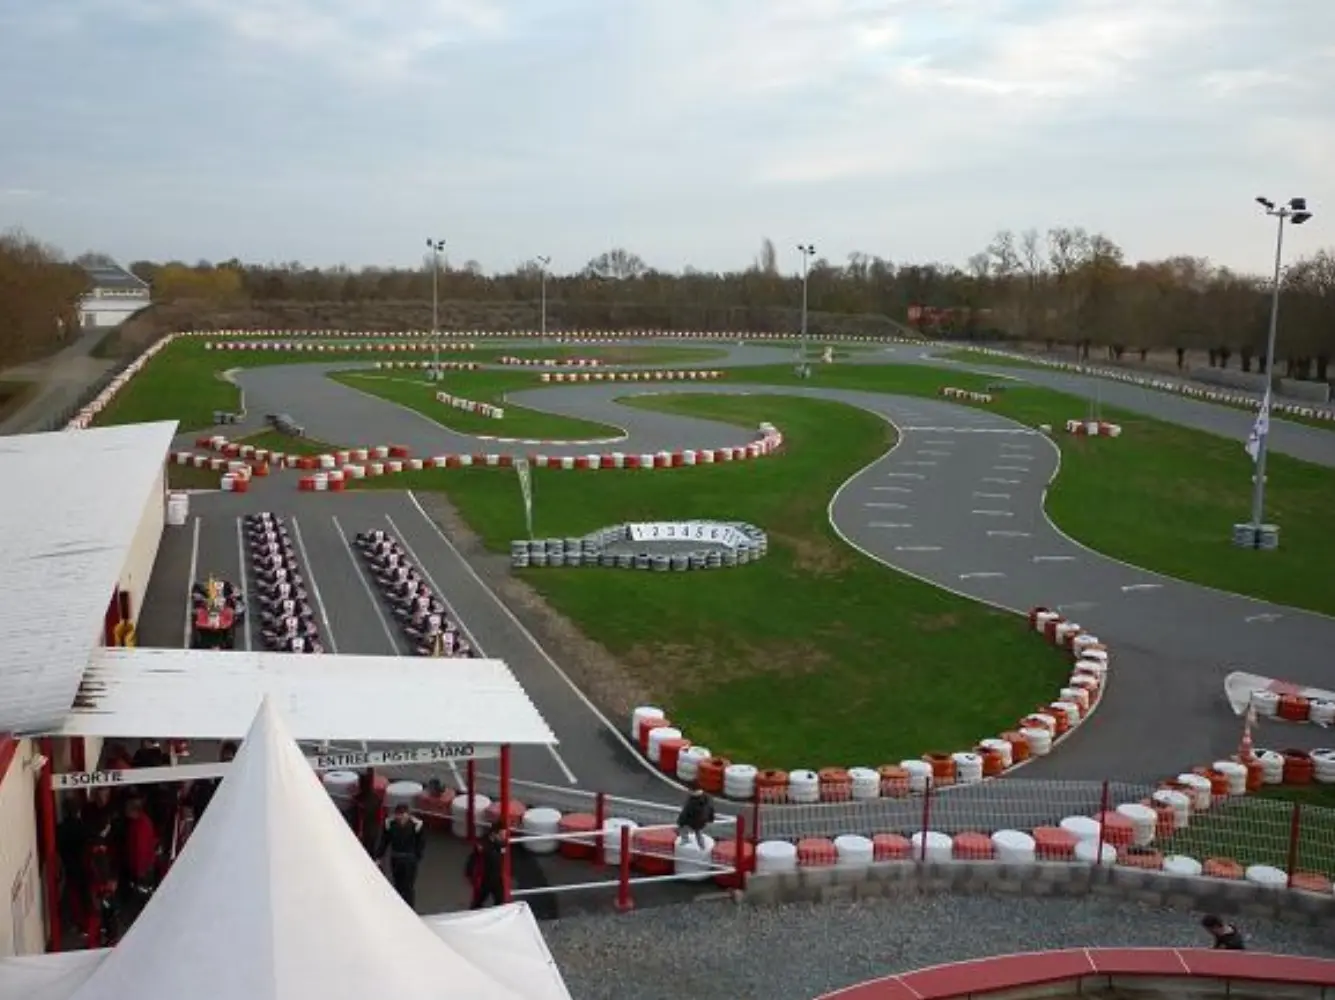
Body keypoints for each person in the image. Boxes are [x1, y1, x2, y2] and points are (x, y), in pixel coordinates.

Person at [375, 804, 426, 908]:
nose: (401, 818)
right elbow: (384, 841)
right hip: (396, 858)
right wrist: (378, 856)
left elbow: (421, 843)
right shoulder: (389, 823)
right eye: (399, 815)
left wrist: (416, 857)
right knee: (398, 885)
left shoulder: (417, 825)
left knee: (408, 887)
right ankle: (399, 908)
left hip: (409, 860)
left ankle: (410, 909)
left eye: (404, 815)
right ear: (395, 815)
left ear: (408, 815)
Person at [467, 823, 506, 909]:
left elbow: (502, 853)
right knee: (479, 901)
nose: (503, 837)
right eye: (501, 835)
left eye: (504, 835)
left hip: (497, 877)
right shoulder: (483, 845)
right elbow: (473, 859)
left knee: (500, 900)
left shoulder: (501, 843)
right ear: (493, 834)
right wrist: (469, 873)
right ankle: (473, 914)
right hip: (485, 879)